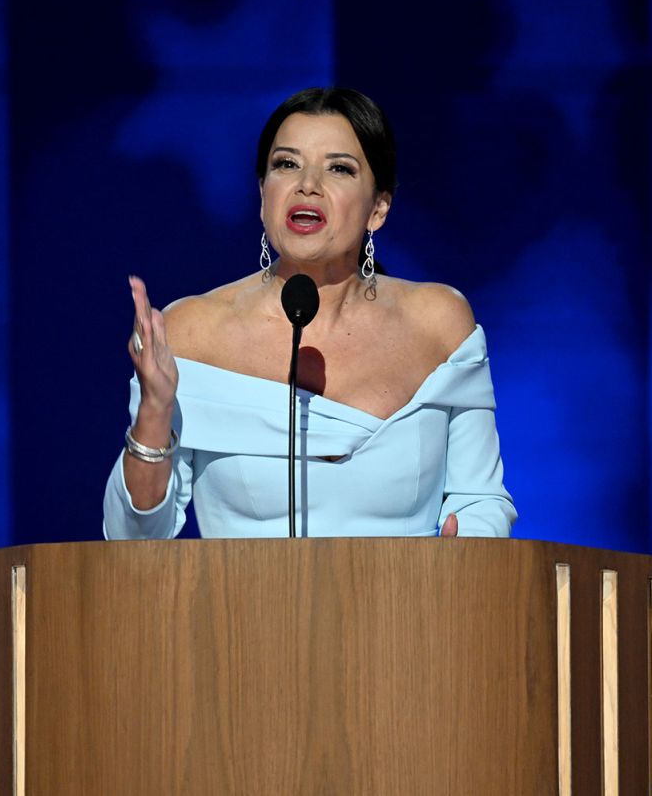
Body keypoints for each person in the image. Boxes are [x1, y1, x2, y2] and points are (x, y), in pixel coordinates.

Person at [103, 87, 516, 539]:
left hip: (407, 606)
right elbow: (132, 540)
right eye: (286, 164)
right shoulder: (192, 332)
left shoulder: (438, 322)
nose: (307, 184)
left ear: (378, 207)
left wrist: (466, 557)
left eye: (339, 168)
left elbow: (481, 499)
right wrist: (156, 411)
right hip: (238, 608)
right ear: (263, 195)